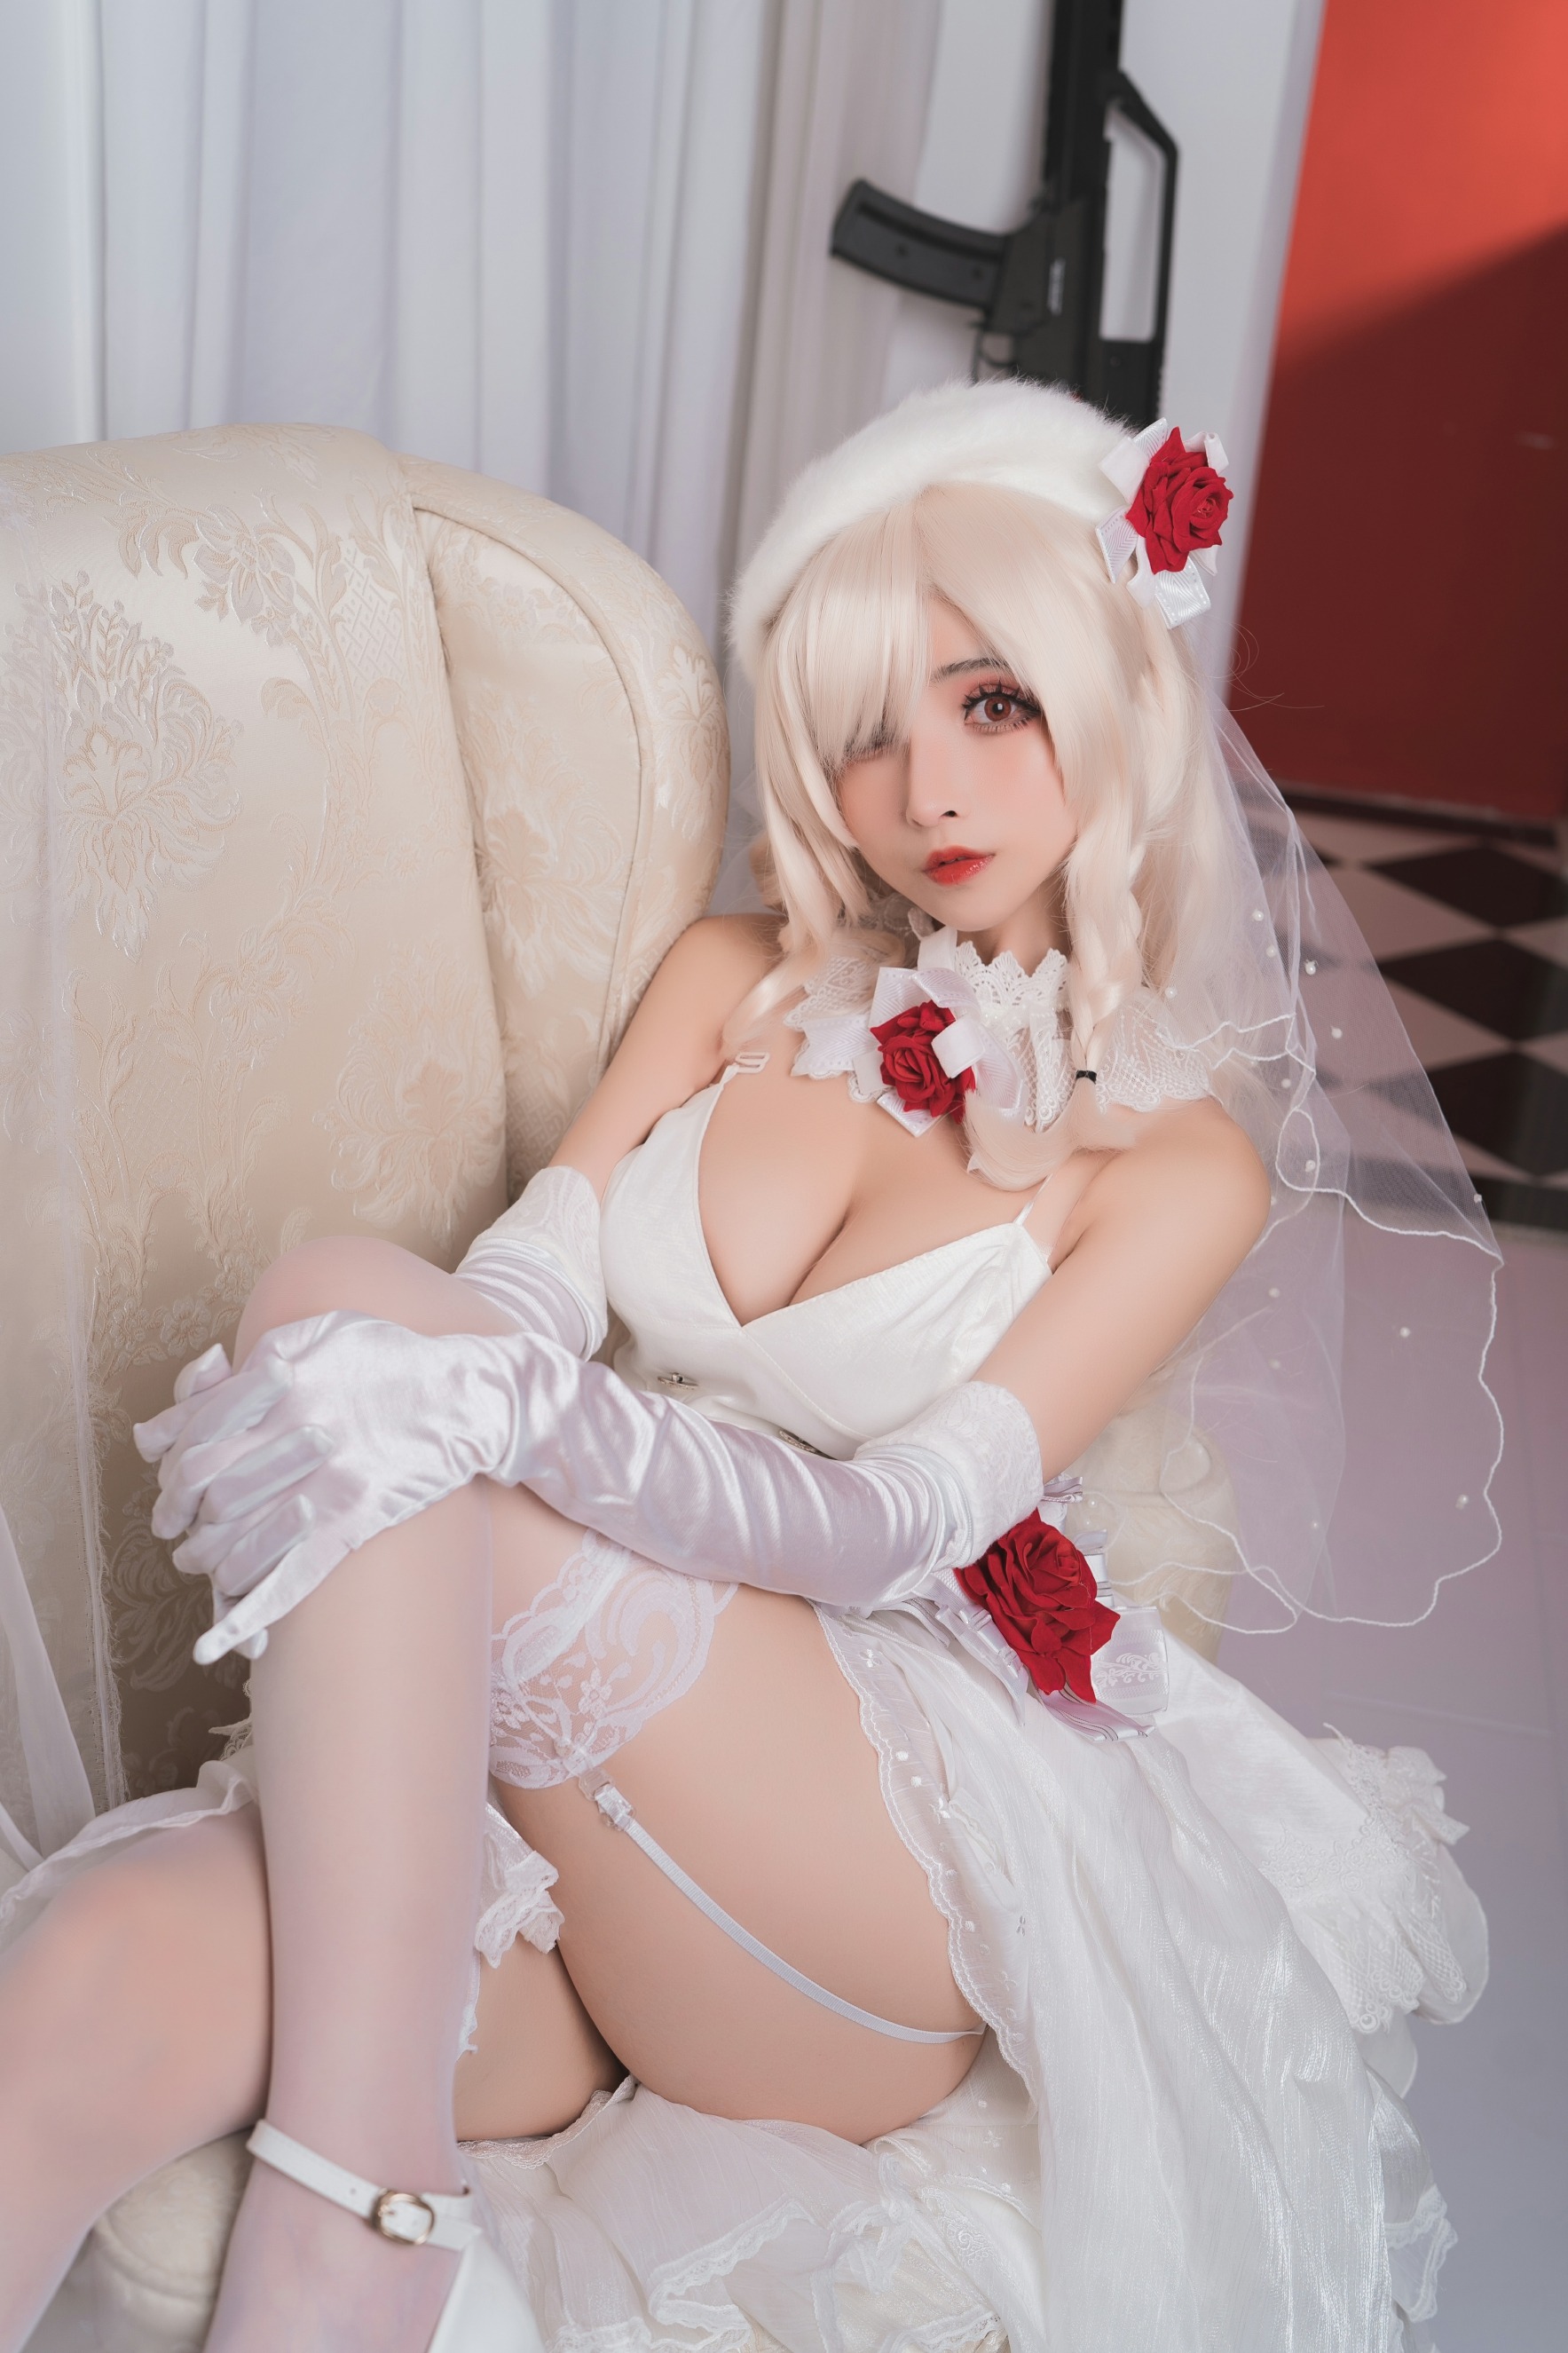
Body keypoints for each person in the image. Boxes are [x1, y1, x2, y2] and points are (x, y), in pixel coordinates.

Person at [0, 382, 1493, 2353]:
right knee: (93, 1977)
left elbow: (896, 1524)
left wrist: (519, 1416)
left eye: (993, 703)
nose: (928, 791)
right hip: (543, 1805)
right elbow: (524, 1287)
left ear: (1110, 700)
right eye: (863, 731)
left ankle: (359, 2219)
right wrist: (485, 1378)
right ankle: (360, 2186)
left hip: (849, 1862)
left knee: (357, 1329)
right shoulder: (731, 979)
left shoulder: (1175, 1166)